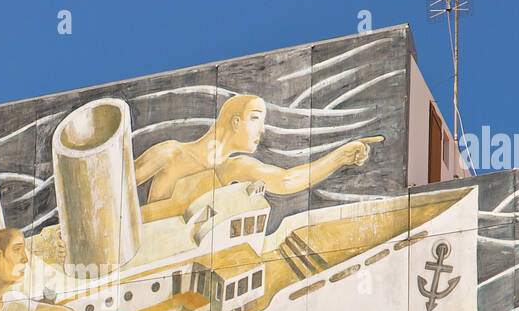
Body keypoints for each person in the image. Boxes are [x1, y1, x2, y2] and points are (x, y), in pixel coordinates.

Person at [135, 93, 378, 222]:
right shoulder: (169, 154)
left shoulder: (236, 168)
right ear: (236, 121)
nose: (262, 130)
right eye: (256, 118)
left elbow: (285, 180)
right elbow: (111, 193)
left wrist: (340, 157)